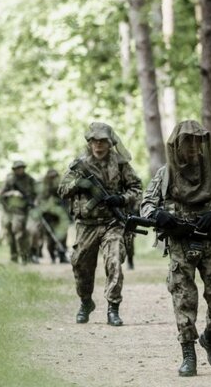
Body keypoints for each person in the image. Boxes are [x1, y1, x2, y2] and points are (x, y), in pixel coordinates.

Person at [140, 120, 211, 377]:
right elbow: (146, 205)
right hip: (179, 243)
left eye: (197, 143)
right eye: (188, 144)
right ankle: (188, 352)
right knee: (183, 297)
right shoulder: (165, 174)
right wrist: (159, 216)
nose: (193, 149)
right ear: (177, 146)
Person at [58, 122, 142, 326]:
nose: (99, 145)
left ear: (110, 142)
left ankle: (113, 308)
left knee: (113, 261)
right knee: (80, 264)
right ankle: (85, 302)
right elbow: (62, 189)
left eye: (103, 141)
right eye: (95, 141)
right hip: (86, 224)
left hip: (112, 222)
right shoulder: (79, 164)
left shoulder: (120, 163)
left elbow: (137, 188)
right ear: (89, 142)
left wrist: (121, 199)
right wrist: (78, 184)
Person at [0, 160, 37, 264]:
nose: (20, 170)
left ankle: (25, 256)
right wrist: (12, 193)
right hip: (9, 210)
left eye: (22, 168)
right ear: (14, 169)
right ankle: (14, 257)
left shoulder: (30, 180)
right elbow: (1, 195)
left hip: (22, 211)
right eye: (18, 168)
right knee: (10, 234)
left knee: (21, 233)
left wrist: (33, 202)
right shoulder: (9, 180)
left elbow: (36, 193)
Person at [35, 169, 70, 264]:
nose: (53, 179)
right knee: (50, 239)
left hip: (61, 216)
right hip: (48, 217)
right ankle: (52, 256)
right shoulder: (44, 189)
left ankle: (62, 256)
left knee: (63, 237)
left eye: (55, 177)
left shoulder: (62, 187)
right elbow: (39, 202)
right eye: (51, 177)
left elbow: (67, 201)